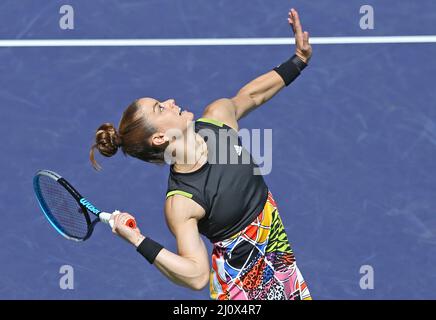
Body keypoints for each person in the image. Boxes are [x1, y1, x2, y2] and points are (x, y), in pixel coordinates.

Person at [90, 8, 312, 300]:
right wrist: (137, 239)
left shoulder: (218, 120)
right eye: (160, 108)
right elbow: (195, 277)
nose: (170, 101)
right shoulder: (181, 202)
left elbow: (252, 96)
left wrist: (299, 60)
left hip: (280, 267)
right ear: (160, 137)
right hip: (240, 292)